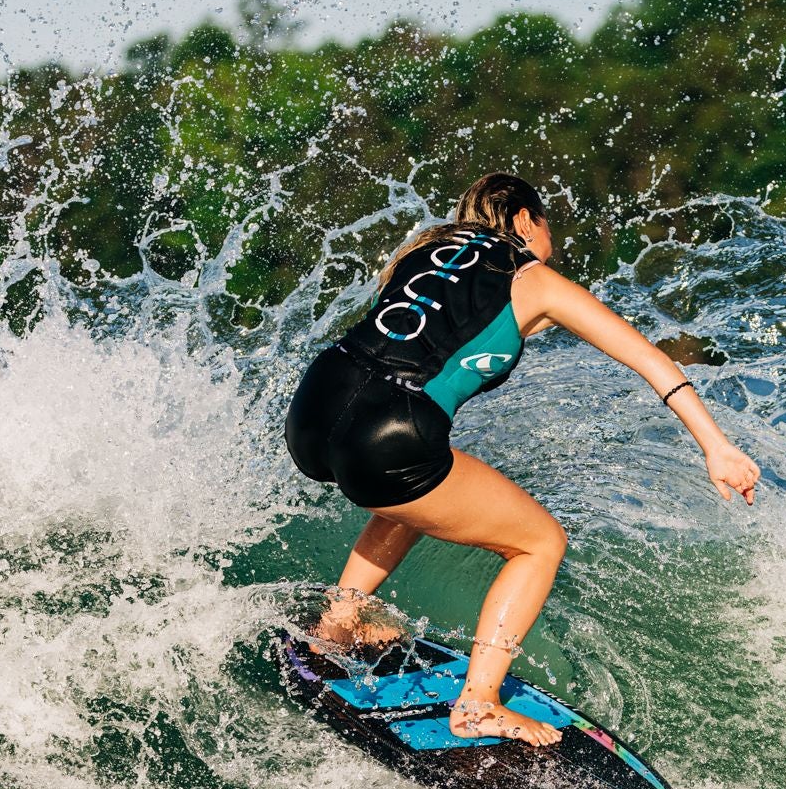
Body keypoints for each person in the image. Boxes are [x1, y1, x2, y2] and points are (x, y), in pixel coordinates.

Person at [285, 172, 761, 746]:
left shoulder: (425, 248)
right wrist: (716, 446)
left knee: (420, 495)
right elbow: (650, 360)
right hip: (389, 430)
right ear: (524, 219)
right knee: (540, 541)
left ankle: (337, 623)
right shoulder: (535, 279)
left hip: (315, 407)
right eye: (546, 220)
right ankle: (480, 705)